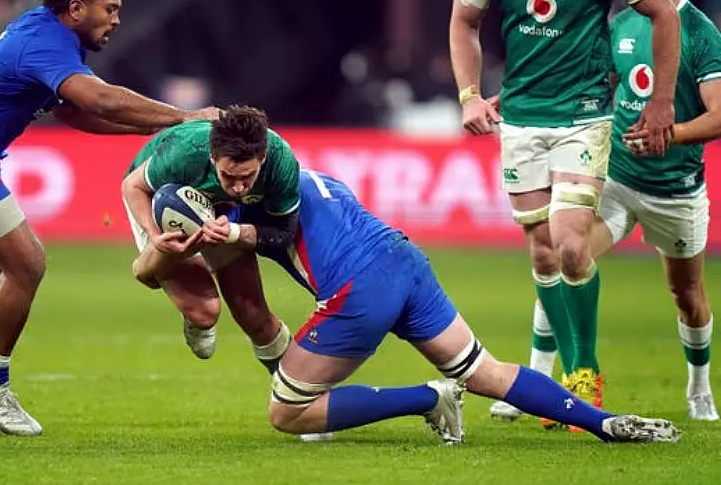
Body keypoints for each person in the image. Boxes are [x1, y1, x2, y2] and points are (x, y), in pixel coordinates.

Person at [0, 0, 219, 436]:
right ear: (76, 8)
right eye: (109, 9)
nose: (117, 19)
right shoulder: (44, 43)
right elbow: (100, 100)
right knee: (27, 263)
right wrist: (183, 117)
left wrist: (159, 125)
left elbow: (75, 114)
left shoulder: (47, 34)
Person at [450, 0, 681, 419]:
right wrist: (468, 95)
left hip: (583, 116)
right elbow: (464, 22)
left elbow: (664, 16)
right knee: (542, 252)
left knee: (572, 244)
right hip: (522, 119)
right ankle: (565, 383)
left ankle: (583, 368)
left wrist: (662, 102)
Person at [240, 169, 679, 444]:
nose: (235, 185)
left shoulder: (257, 203)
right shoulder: (314, 176)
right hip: (404, 260)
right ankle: (602, 423)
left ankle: (427, 398)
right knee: (485, 371)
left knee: (288, 412)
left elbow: (250, 254)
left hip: (360, 289)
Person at [494, 0, 721, 423]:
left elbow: (719, 114)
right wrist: (514, 99)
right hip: (615, 178)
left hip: (675, 191)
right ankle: (541, 384)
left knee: (687, 296)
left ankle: (699, 388)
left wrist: (673, 133)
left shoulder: (701, 34)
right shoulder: (620, 25)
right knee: (560, 252)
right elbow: (590, 82)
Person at [123, 105, 299, 374]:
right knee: (205, 313)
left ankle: (294, 391)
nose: (239, 187)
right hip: (160, 201)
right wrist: (156, 237)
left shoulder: (281, 161)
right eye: (228, 176)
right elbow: (133, 186)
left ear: (262, 158)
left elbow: (283, 233)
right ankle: (147, 268)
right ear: (212, 157)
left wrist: (235, 232)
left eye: (247, 177)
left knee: (254, 316)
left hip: (221, 213)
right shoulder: (186, 152)